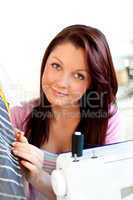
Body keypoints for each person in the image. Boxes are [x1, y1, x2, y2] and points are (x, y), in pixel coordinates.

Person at [10, 24, 120, 200]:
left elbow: (100, 194)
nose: (61, 82)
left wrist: (38, 176)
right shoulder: (19, 117)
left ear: (92, 82)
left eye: (79, 76)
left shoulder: (106, 119)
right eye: (56, 65)